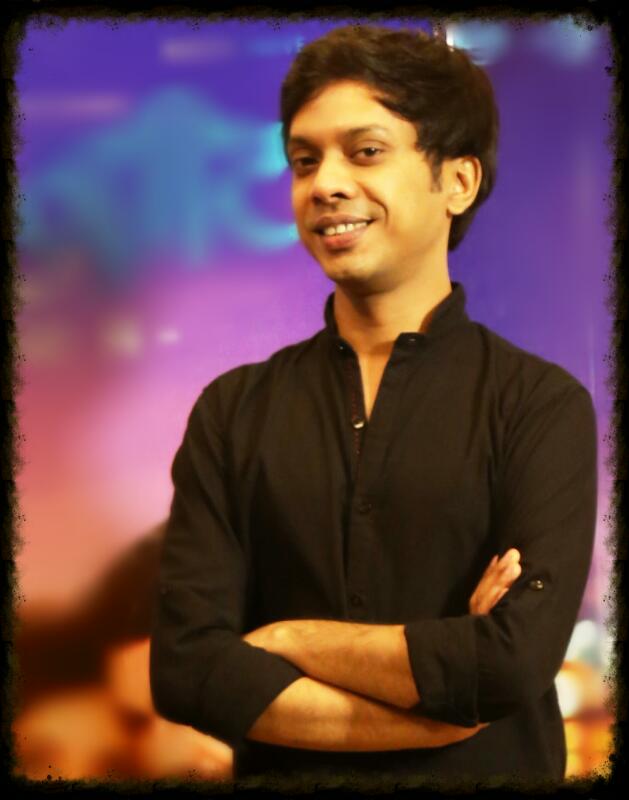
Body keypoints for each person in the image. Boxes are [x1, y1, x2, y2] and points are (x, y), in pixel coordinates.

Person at [149, 25, 597, 787]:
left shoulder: (537, 404)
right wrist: (434, 708)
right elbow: (187, 669)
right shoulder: (233, 411)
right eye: (304, 160)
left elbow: (507, 664)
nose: (324, 183)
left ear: (457, 181)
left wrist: (287, 639)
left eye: (364, 151)